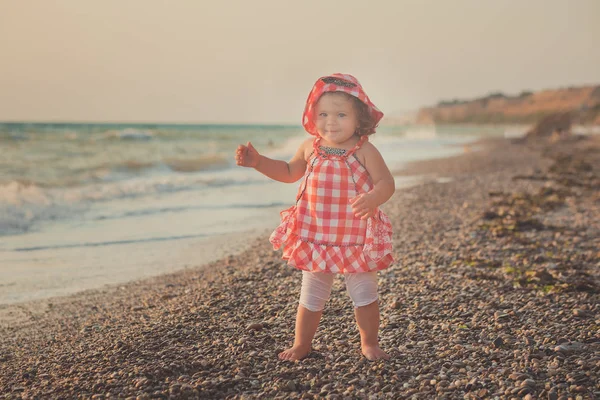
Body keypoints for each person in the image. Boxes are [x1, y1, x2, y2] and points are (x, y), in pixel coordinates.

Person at [235, 73, 395, 361]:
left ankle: (369, 343)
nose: (330, 121)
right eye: (323, 114)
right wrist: (257, 162)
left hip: (354, 236)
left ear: (359, 120)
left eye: (341, 114)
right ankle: (302, 344)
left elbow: (386, 182)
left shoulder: (365, 150)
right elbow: (288, 172)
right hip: (317, 234)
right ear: (312, 115)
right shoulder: (310, 147)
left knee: (364, 293)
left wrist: (373, 198)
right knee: (311, 295)